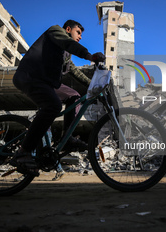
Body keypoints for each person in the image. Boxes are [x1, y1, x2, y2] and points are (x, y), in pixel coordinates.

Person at [11, 20, 105, 176]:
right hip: (31, 77)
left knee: (74, 96)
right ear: (68, 29)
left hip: (47, 83)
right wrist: (89, 56)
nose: (80, 37)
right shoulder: (55, 31)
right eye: (78, 33)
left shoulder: (65, 54)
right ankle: (23, 152)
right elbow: (69, 43)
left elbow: (74, 71)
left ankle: (67, 137)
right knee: (53, 106)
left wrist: (94, 85)